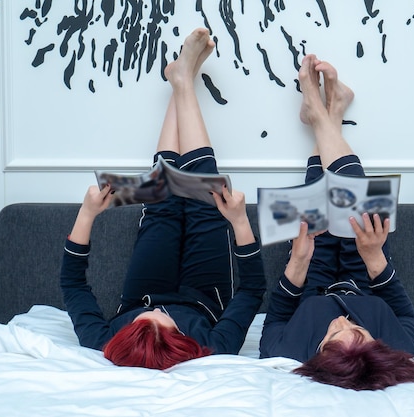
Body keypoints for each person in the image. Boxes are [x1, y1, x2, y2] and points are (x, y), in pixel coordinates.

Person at [60, 28, 266, 370]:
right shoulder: (213, 346)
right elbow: (251, 291)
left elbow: (73, 285)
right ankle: (183, 79)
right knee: (206, 200)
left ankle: (182, 79)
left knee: (162, 202)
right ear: (180, 342)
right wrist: (239, 222)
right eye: (163, 322)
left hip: (144, 286)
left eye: (144, 321)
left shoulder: (105, 340)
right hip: (206, 294)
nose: (157, 312)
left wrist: (87, 215)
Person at [259, 54, 414, 391]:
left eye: (331, 335)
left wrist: (298, 261)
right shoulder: (406, 347)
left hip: (312, 281)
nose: (339, 322)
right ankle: (321, 108)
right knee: (356, 200)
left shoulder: (283, 351)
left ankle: (326, 110)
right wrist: (373, 257)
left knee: (315, 203)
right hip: (365, 275)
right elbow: (404, 311)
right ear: (376, 344)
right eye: (354, 330)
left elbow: (278, 315)